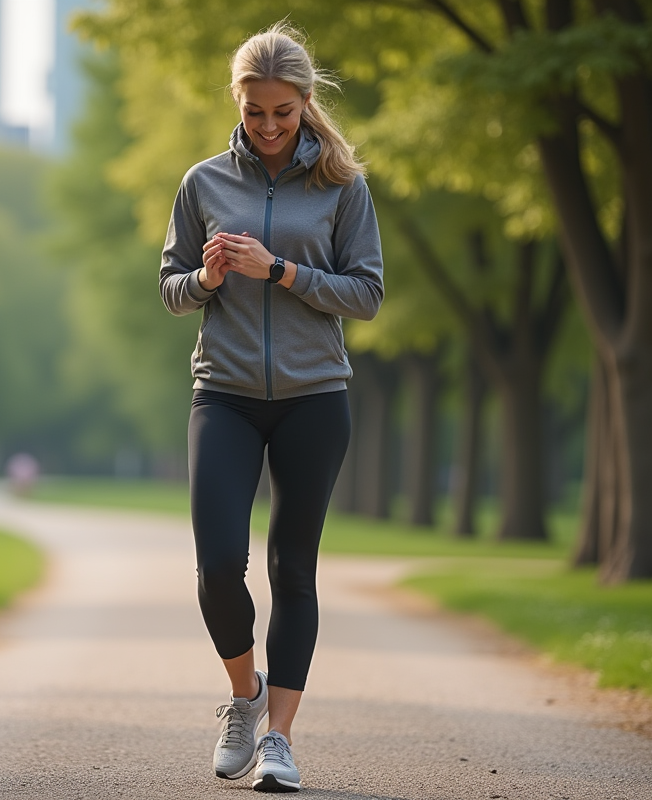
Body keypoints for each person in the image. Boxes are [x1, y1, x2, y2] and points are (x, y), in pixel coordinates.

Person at [159, 22, 383, 793]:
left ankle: (280, 740)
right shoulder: (202, 183)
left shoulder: (343, 187)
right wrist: (209, 281)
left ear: (305, 103)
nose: (269, 127)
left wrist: (283, 269)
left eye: (283, 112)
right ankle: (243, 696)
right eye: (255, 112)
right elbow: (169, 288)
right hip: (221, 393)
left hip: (314, 397)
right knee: (219, 563)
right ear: (239, 104)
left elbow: (368, 293)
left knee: (294, 568)